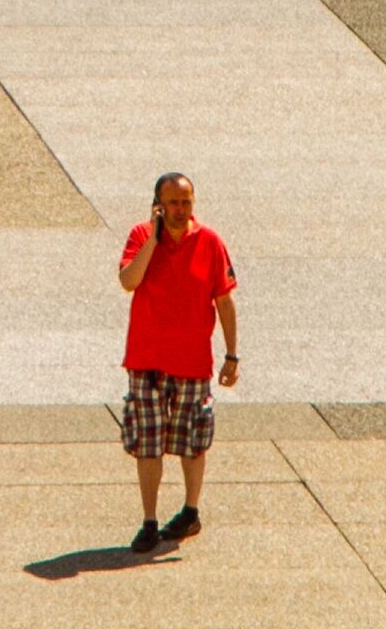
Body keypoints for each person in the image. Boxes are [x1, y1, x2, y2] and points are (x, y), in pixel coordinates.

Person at [114, 173, 240, 555]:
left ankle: (190, 510)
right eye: (172, 203)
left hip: (192, 360)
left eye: (186, 202)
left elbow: (224, 301)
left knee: (192, 441)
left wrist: (232, 354)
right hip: (146, 358)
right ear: (158, 205)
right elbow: (128, 280)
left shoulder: (210, 242)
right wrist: (153, 238)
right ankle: (149, 521)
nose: (180, 210)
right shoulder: (140, 237)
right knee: (148, 443)